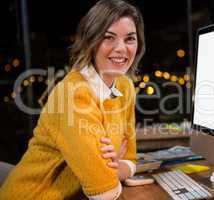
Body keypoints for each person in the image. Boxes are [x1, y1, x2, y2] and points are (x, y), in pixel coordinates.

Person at [0, 0, 145, 199]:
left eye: (130, 39)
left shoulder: (125, 87)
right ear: (91, 41)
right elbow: (105, 190)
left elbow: (129, 157)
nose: (121, 48)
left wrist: (114, 168)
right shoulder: (73, 94)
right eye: (109, 38)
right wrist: (108, 170)